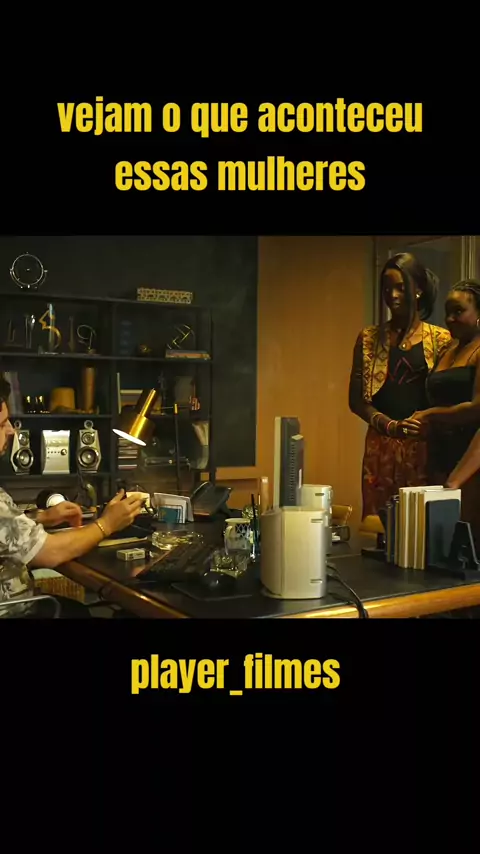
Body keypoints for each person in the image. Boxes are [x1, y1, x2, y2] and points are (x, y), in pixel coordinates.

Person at [0, 375, 144, 614]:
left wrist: (42, 517)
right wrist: (108, 524)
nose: (11, 431)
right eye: (2, 424)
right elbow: (50, 553)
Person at [349, 252, 451, 519]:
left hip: (424, 448)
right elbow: (357, 401)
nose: (392, 295)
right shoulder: (369, 338)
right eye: (386, 288)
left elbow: (449, 400)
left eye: (400, 287)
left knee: (421, 525)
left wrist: (428, 422)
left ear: (418, 289)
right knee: (379, 524)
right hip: (380, 449)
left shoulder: (441, 340)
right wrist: (390, 425)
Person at [404, 280, 480, 547]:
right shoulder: (448, 350)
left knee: (466, 540)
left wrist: (429, 415)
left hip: (471, 459)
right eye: (447, 312)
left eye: (459, 311)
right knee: (437, 542)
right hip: (439, 454)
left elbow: (477, 407)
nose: (450, 319)